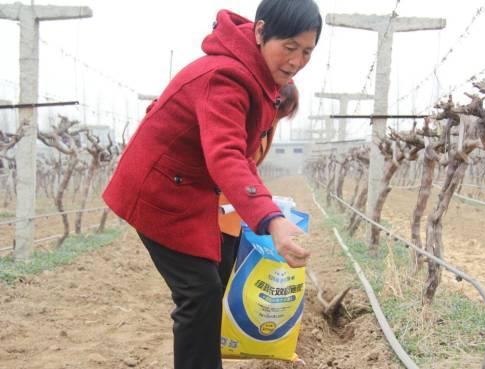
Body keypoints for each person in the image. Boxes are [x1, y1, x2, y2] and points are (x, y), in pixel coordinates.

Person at [102, 1, 322, 368]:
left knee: (205, 289)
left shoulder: (254, 77)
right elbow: (227, 156)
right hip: (159, 190)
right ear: (260, 31)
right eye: (289, 47)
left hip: (187, 188)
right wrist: (272, 221)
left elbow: (242, 158)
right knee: (199, 291)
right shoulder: (226, 78)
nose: (297, 61)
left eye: (307, 52)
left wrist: (264, 210)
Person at [218, 82, 299, 291]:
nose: (275, 121)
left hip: (236, 210)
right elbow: (236, 165)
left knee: (227, 274)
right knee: (214, 280)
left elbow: (250, 166)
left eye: (281, 117)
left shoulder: (265, 127)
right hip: (220, 208)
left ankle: (222, 319)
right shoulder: (243, 121)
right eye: (278, 114)